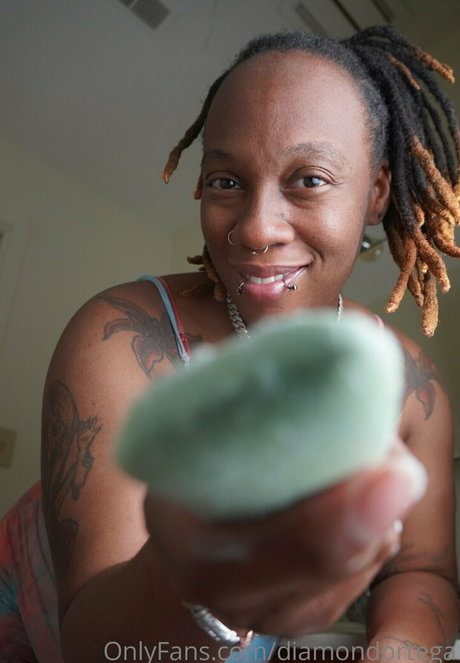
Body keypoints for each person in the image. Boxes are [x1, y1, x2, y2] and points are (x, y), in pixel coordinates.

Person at [1, 25, 459, 663]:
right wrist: (212, 588)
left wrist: (396, 651)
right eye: (225, 181)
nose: (256, 227)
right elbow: (90, 640)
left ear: (376, 192)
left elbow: (422, 569)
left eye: (309, 179)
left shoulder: (412, 388)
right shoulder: (118, 334)